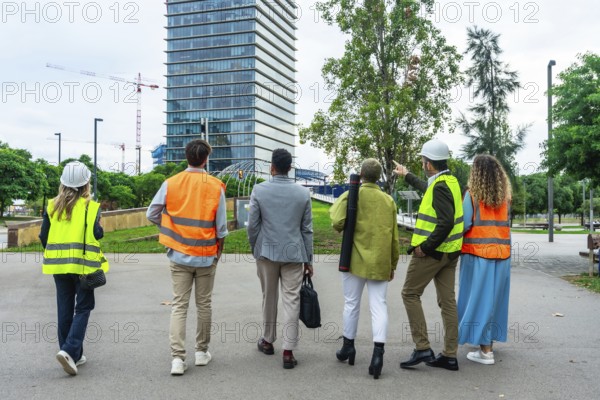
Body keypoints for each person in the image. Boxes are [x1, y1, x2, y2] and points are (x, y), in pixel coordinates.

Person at [146, 139, 228, 376]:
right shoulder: (215, 185)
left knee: (179, 306)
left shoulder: (171, 183)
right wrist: (217, 253)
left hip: (179, 254)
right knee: (204, 305)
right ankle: (201, 353)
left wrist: (171, 228)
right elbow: (221, 228)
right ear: (206, 159)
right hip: (206, 255)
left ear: (187, 157)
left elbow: (152, 213)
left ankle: (177, 360)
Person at [393, 139, 464, 371]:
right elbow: (428, 189)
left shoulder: (441, 187)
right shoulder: (449, 181)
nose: (422, 164)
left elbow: (445, 222)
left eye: (423, 161)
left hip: (433, 254)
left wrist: (426, 247)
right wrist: (407, 175)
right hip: (451, 254)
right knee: (447, 302)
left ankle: (422, 346)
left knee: (409, 294)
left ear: (429, 165)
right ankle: (450, 355)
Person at [329, 159, 400, 380]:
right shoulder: (388, 201)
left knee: (351, 304)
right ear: (379, 177)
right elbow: (395, 239)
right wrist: (393, 264)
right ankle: (378, 355)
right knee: (379, 306)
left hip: (353, 261)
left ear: (360, 174)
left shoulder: (353, 194)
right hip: (380, 261)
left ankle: (348, 346)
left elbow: (337, 220)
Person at [40, 161, 109, 376]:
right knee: (84, 308)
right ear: (86, 184)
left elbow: (44, 236)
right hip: (82, 266)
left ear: (63, 183)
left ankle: (73, 355)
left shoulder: (51, 206)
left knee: (64, 308)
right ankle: (69, 351)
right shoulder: (90, 206)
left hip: (58, 266)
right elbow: (96, 234)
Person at [247, 148, 313, 370]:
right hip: (294, 254)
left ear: (272, 167)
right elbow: (307, 230)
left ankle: (267, 340)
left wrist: (255, 247)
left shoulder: (259, 189)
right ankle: (288, 350)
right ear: (290, 168)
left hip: (267, 252)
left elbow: (253, 225)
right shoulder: (303, 194)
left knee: (269, 297)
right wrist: (309, 260)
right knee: (291, 300)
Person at [458, 154, 512, 365]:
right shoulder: (506, 198)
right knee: (495, 301)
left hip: (477, 254)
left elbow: (463, 224)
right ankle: (487, 342)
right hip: (502, 255)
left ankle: (485, 351)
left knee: (477, 300)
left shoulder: (472, 196)